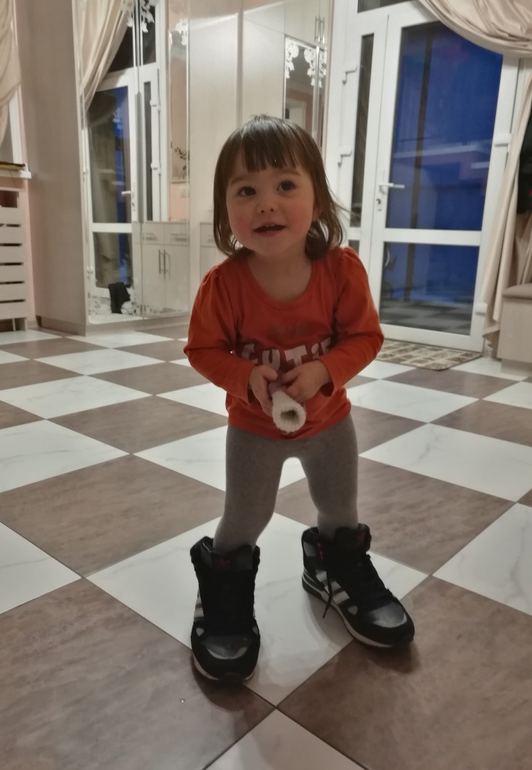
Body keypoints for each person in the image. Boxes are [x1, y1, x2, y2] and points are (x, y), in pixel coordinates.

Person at [184, 115, 414, 683]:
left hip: (330, 424)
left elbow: (365, 337)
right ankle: (223, 590)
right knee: (245, 517)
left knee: (339, 508)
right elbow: (203, 350)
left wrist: (325, 370)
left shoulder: (341, 271)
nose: (266, 203)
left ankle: (334, 568)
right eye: (246, 191)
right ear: (226, 211)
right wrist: (246, 378)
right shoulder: (224, 285)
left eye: (285, 184)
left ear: (317, 198)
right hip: (254, 430)